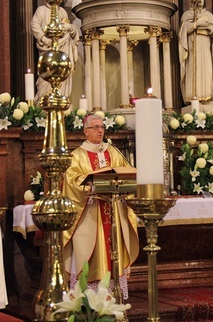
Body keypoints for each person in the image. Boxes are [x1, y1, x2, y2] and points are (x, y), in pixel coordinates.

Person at [62, 114, 139, 299]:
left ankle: (115, 294)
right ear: (86, 131)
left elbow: (127, 171)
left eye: (102, 127)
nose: (99, 130)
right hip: (90, 214)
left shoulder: (112, 152)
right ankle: (87, 297)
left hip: (113, 211)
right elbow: (71, 181)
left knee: (114, 253)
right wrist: (89, 185)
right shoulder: (77, 155)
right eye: (95, 127)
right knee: (89, 252)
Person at [31, 3, 79, 100]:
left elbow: (70, 31)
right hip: (47, 48)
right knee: (44, 80)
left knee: (63, 75)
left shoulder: (62, 11)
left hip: (62, 48)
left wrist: (70, 27)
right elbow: (34, 25)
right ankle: (43, 101)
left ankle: (61, 100)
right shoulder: (41, 10)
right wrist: (44, 39)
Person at [178, 0, 213, 104]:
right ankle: (193, 98)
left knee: (206, 69)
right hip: (193, 48)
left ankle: (207, 97)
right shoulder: (187, 15)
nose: (201, 1)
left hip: (205, 46)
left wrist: (208, 27)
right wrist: (197, 24)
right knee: (193, 69)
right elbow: (183, 31)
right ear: (194, 0)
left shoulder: (209, 15)